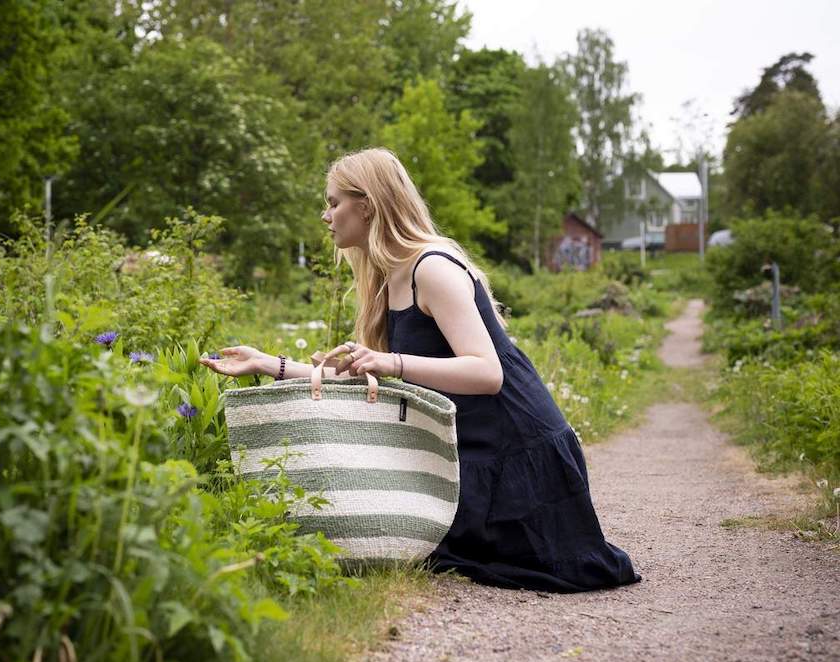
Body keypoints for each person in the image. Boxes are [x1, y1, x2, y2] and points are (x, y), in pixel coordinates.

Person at [200, 147, 640, 593]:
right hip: (470, 454)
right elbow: (365, 375)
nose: (325, 215)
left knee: (435, 555)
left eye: (333, 202)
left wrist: (391, 362)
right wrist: (268, 364)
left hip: (520, 458)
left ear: (367, 205)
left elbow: (488, 373)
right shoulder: (387, 277)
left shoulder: (431, 268)